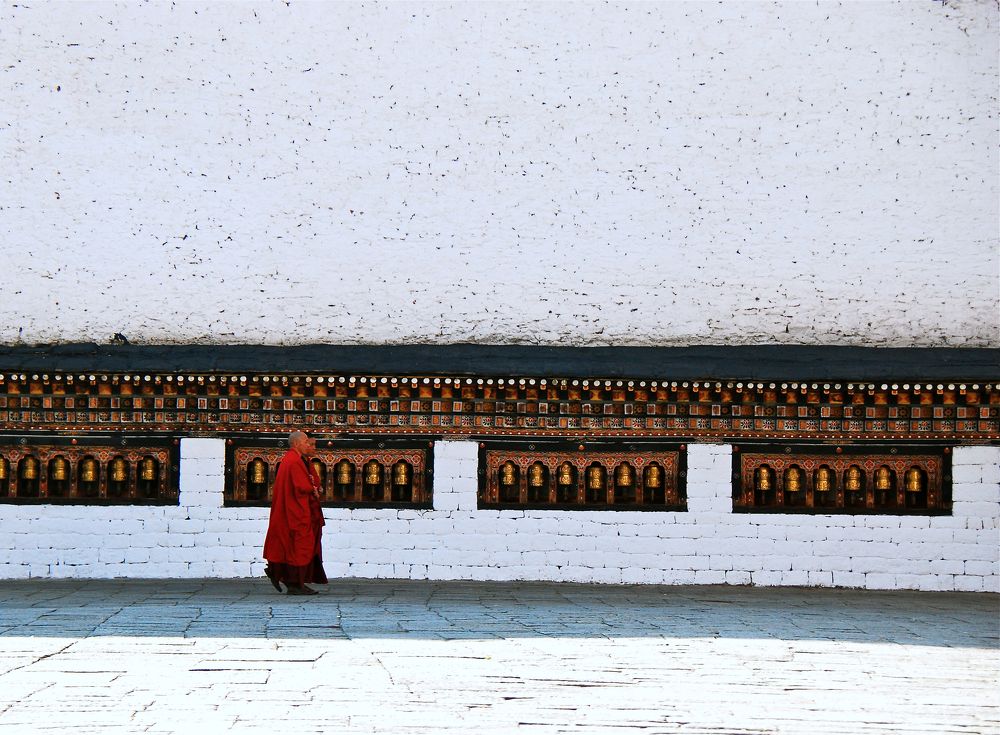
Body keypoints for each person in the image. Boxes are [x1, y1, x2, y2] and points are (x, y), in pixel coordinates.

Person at [262, 431, 328, 595]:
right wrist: (313, 489)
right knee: (299, 546)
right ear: (297, 443)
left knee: (292, 546)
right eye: (306, 441)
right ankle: (294, 584)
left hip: (295, 509)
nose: (309, 445)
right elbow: (301, 486)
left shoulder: (297, 459)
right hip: (295, 511)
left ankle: (284, 577)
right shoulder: (293, 461)